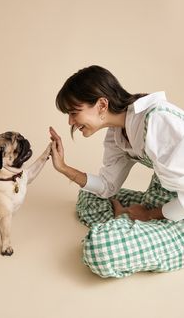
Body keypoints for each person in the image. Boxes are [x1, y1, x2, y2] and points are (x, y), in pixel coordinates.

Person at [49, 65, 184, 278]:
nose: (70, 121)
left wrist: (148, 215)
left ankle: (138, 229)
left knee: (101, 251)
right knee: (88, 197)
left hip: (180, 213)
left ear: (102, 104)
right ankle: (136, 228)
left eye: (74, 112)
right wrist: (64, 168)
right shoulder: (117, 133)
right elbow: (107, 187)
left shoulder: (158, 120)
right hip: (161, 199)